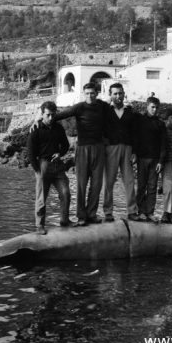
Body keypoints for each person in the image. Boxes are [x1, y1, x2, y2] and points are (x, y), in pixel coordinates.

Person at [53, 83, 107, 226]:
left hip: (99, 148)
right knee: (82, 184)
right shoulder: (79, 107)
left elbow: (114, 118)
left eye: (92, 93)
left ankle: (92, 214)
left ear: (97, 93)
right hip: (82, 149)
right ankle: (81, 215)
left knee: (97, 184)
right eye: (87, 93)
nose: (90, 96)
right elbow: (59, 115)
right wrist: (40, 118)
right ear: (84, 93)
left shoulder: (103, 106)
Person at [27, 101, 71, 235]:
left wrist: (60, 153)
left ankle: (64, 220)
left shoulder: (59, 128)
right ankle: (39, 225)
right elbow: (30, 153)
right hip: (43, 165)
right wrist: (37, 171)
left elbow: (65, 145)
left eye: (53, 115)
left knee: (65, 193)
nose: (51, 118)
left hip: (57, 166)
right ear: (42, 114)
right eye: (48, 115)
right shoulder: (35, 130)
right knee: (41, 198)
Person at [102, 83, 141, 222]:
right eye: (115, 94)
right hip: (111, 149)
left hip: (127, 149)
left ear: (124, 94)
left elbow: (136, 134)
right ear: (110, 95)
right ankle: (108, 212)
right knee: (109, 182)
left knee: (129, 181)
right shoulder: (105, 111)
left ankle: (132, 211)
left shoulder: (130, 113)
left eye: (120, 93)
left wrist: (135, 151)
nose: (118, 96)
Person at [134, 96, 167, 222]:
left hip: (155, 160)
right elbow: (135, 139)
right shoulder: (140, 121)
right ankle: (140, 211)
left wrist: (161, 161)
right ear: (147, 106)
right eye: (152, 107)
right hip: (142, 158)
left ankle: (150, 212)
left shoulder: (160, 124)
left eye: (156, 108)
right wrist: (134, 154)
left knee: (152, 186)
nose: (154, 110)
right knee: (142, 185)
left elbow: (164, 144)